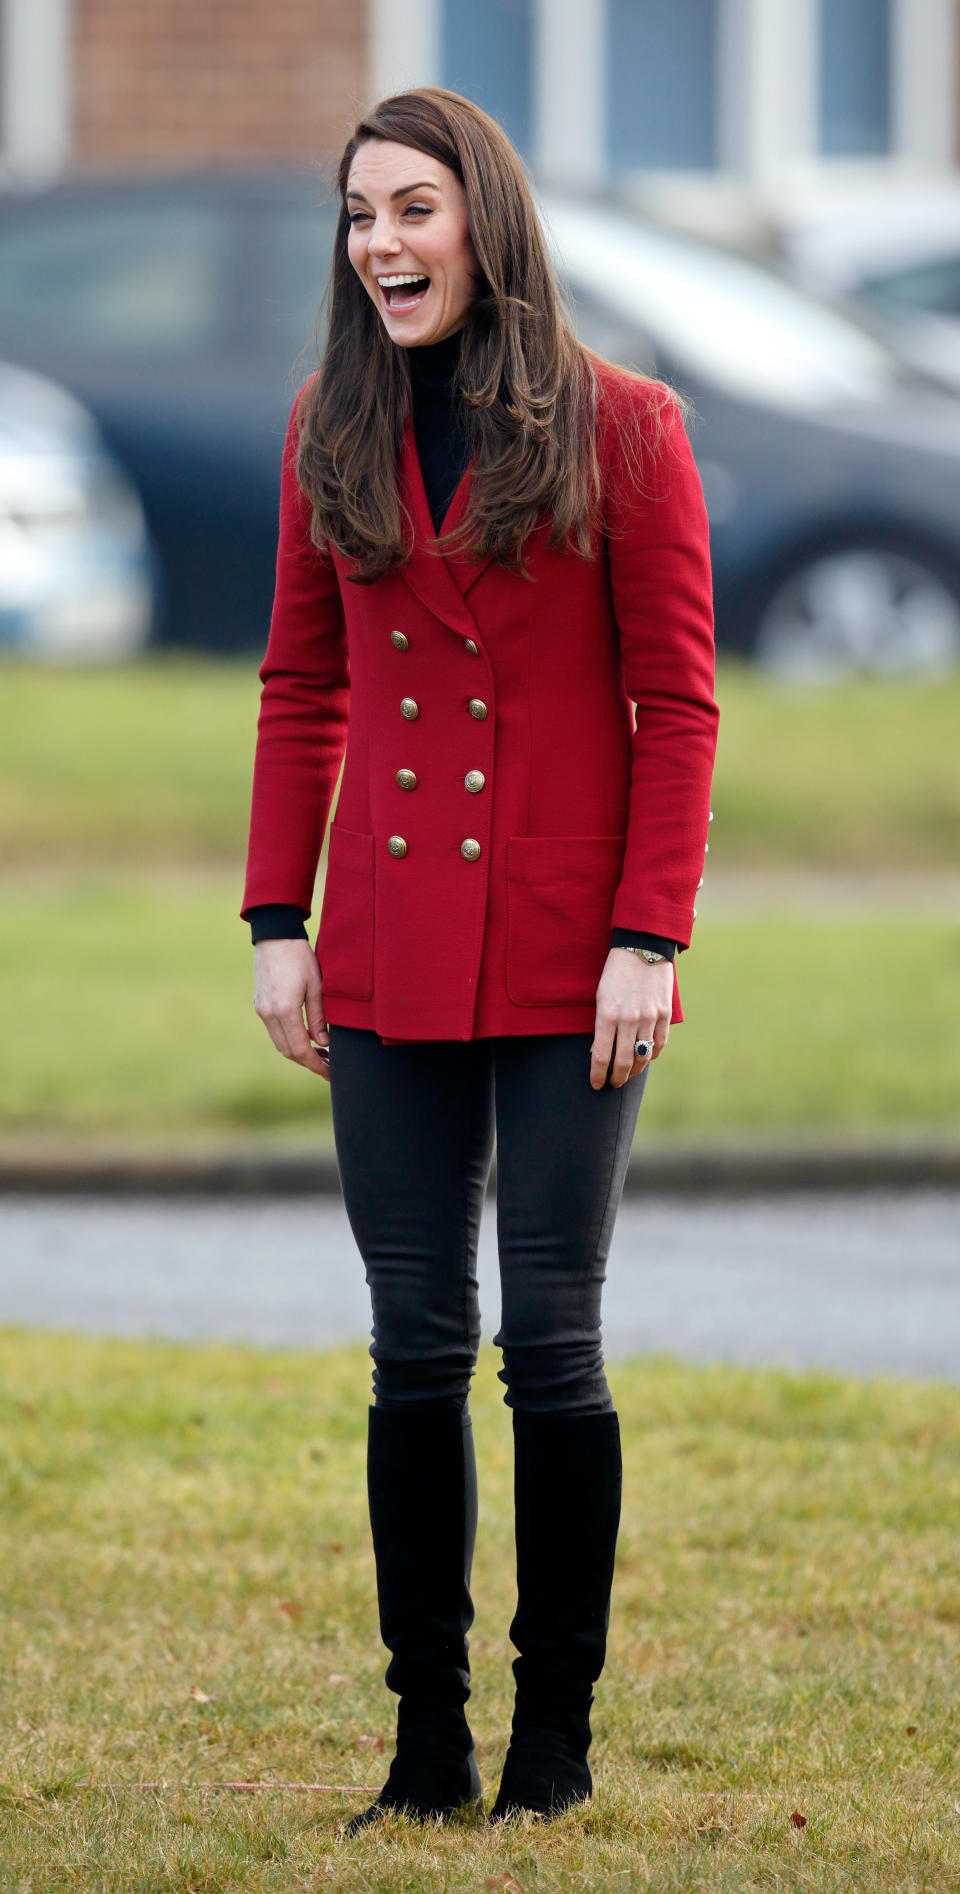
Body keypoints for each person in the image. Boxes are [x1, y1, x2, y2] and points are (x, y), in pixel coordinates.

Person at [241, 86, 717, 1832]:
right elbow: (305, 693)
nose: (382, 242)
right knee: (415, 1347)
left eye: (415, 209)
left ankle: (554, 1741)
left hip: (574, 956)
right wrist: (275, 922)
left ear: (485, 222)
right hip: (383, 950)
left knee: (554, 1348)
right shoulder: (330, 425)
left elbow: (679, 705)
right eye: (361, 214)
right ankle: (427, 1748)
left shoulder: (628, 428)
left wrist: (648, 936)